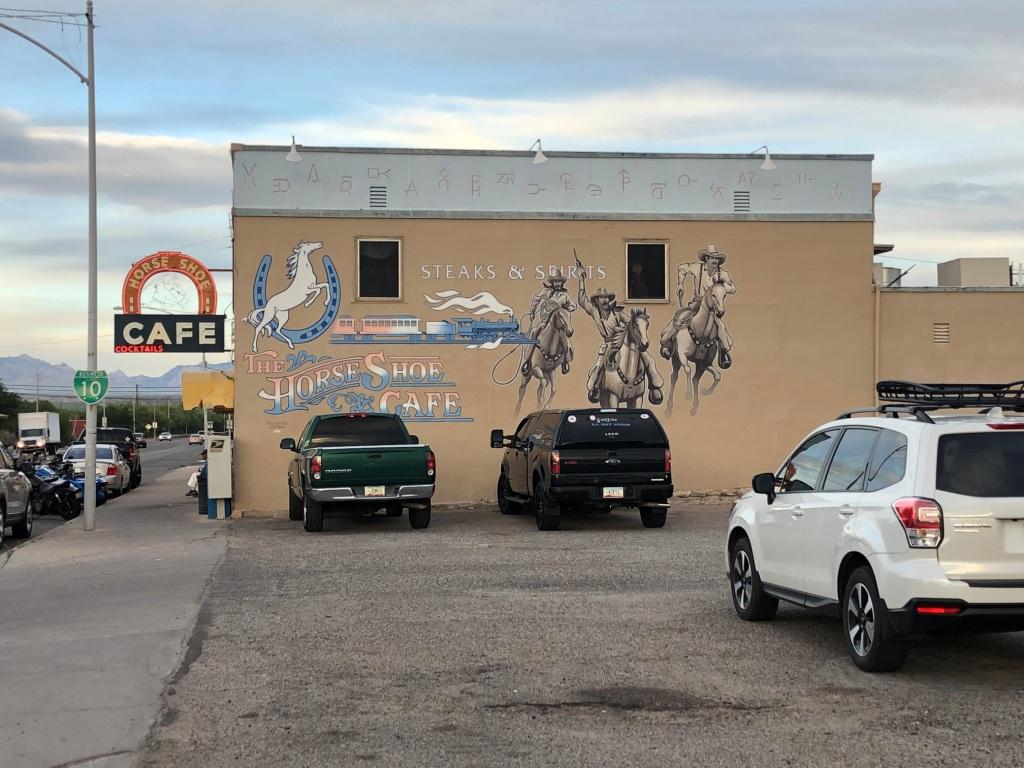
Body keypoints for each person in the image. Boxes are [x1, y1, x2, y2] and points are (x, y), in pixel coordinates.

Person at [659, 243, 737, 368]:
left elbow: (733, 288)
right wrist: (680, 283)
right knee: (681, 318)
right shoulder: (697, 268)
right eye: (712, 258)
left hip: (712, 307)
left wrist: (722, 287)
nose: (715, 261)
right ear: (706, 258)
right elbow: (682, 268)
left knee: (721, 327)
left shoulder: (722, 273)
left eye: (717, 259)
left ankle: (723, 352)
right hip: (697, 303)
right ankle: (667, 343)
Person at [578, 266, 627, 403]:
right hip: (608, 343)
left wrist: (623, 330)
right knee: (599, 365)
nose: (604, 300)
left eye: (606, 297)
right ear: (597, 301)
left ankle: (654, 386)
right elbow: (582, 300)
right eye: (601, 298)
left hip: (623, 341)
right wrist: (581, 280)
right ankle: (594, 388)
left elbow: (631, 321)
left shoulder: (617, 312)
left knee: (646, 358)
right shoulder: (594, 311)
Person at [522, 273, 577, 375]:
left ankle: (565, 361)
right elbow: (536, 299)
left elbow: (573, 306)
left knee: (567, 342)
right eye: (555, 281)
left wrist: (564, 308)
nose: (557, 283)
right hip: (545, 322)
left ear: (561, 282)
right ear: (552, 282)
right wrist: (532, 311)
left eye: (559, 281)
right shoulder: (546, 291)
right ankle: (527, 361)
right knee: (534, 332)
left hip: (559, 324)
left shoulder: (565, 294)